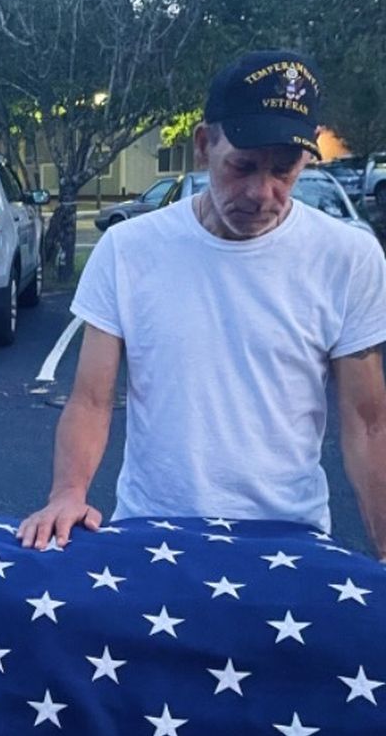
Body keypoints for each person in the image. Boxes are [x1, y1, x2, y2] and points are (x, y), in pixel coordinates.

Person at [19, 50, 386, 559]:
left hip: (290, 543)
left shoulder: (348, 257)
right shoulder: (128, 250)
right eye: (242, 166)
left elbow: (368, 424)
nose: (262, 192)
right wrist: (67, 495)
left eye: (284, 171)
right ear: (202, 145)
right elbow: (91, 401)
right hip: (153, 534)